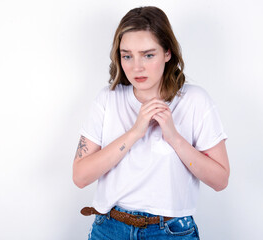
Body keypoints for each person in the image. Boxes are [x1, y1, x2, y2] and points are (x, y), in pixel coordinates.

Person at [73, 6, 229, 240]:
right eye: (127, 55)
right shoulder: (107, 99)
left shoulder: (195, 100)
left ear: (167, 52)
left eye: (148, 55)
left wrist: (174, 137)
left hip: (171, 232)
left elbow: (220, 180)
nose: (137, 67)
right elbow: (80, 177)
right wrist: (135, 132)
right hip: (110, 228)